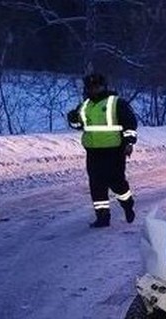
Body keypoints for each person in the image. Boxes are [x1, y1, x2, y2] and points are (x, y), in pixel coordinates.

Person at [66, 73, 138, 228]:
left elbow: (130, 123)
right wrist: (72, 119)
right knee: (96, 185)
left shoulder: (116, 103)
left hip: (114, 150)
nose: (93, 89)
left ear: (104, 86)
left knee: (116, 182)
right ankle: (102, 218)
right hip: (93, 152)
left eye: (96, 86)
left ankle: (127, 204)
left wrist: (129, 142)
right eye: (90, 87)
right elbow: (80, 126)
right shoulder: (85, 106)